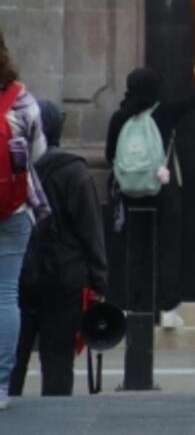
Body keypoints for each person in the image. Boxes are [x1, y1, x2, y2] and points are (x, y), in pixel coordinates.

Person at [8, 100, 107, 396]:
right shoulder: (74, 172)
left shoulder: (11, 167)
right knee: (58, 360)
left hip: (18, 276)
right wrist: (99, 279)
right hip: (65, 278)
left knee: (12, 359)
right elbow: (91, 231)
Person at [105, 57, 195, 328]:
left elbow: (109, 156)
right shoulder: (164, 112)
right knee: (168, 247)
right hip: (163, 189)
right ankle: (168, 311)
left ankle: (133, 309)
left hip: (130, 192)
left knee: (135, 250)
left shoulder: (119, 117)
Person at [0, 32, 48, 410]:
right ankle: (1, 386)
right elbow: (38, 151)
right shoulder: (21, 100)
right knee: (5, 297)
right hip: (14, 210)